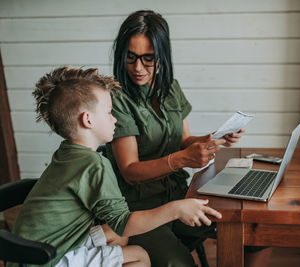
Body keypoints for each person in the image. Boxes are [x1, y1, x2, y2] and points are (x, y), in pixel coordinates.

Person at [8, 66, 221, 267]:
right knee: (138, 256)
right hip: (48, 257)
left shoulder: (67, 153)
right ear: (88, 120)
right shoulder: (94, 165)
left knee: (118, 237)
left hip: (32, 250)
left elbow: (119, 228)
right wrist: (176, 209)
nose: (115, 120)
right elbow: (124, 222)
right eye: (109, 112)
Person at [106, 10, 244, 266]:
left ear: (162, 56)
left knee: (251, 234)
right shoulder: (116, 99)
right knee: (179, 263)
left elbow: (183, 141)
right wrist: (182, 159)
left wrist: (215, 138)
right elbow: (130, 172)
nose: (138, 68)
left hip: (180, 194)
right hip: (140, 209)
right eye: (131, 57)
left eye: (148, 58)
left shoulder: (170, 88)